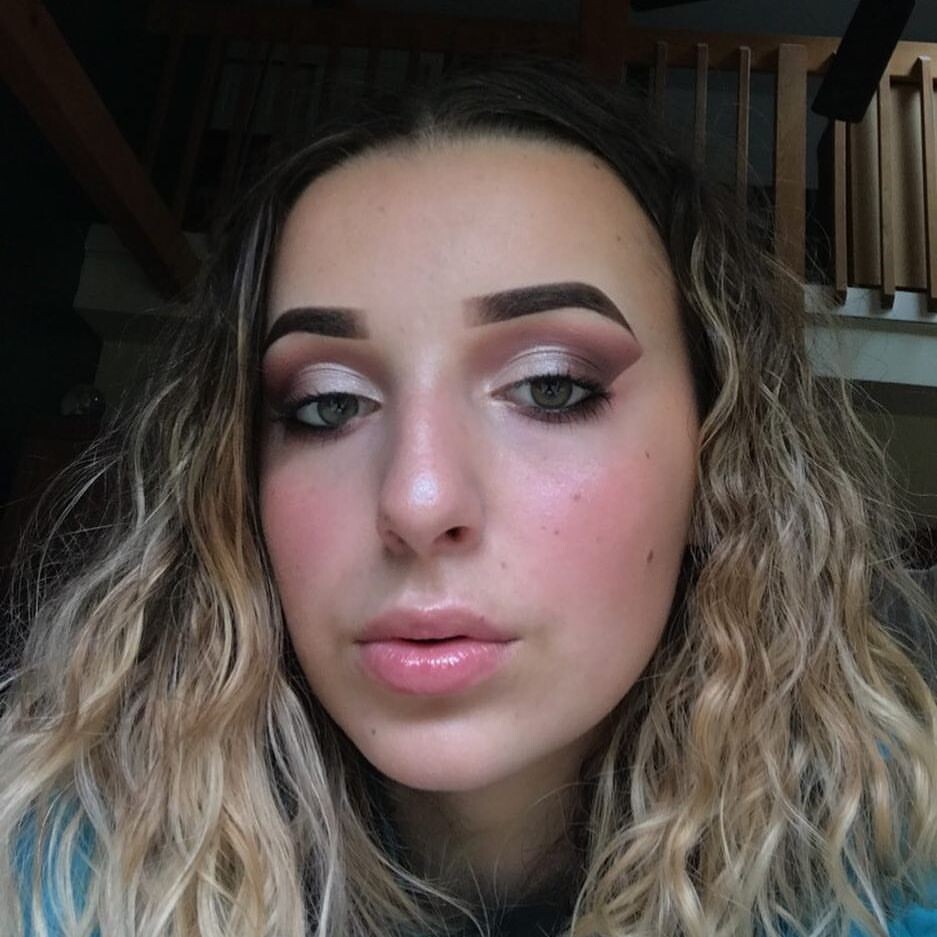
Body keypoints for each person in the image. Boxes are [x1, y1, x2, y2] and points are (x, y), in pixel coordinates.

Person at [1, 56, 936, 937]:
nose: (416, 500)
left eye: (551, 386)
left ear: (717, 459)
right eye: (327, 404)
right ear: (234, 484)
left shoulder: (886, 878)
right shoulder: (61, 872)